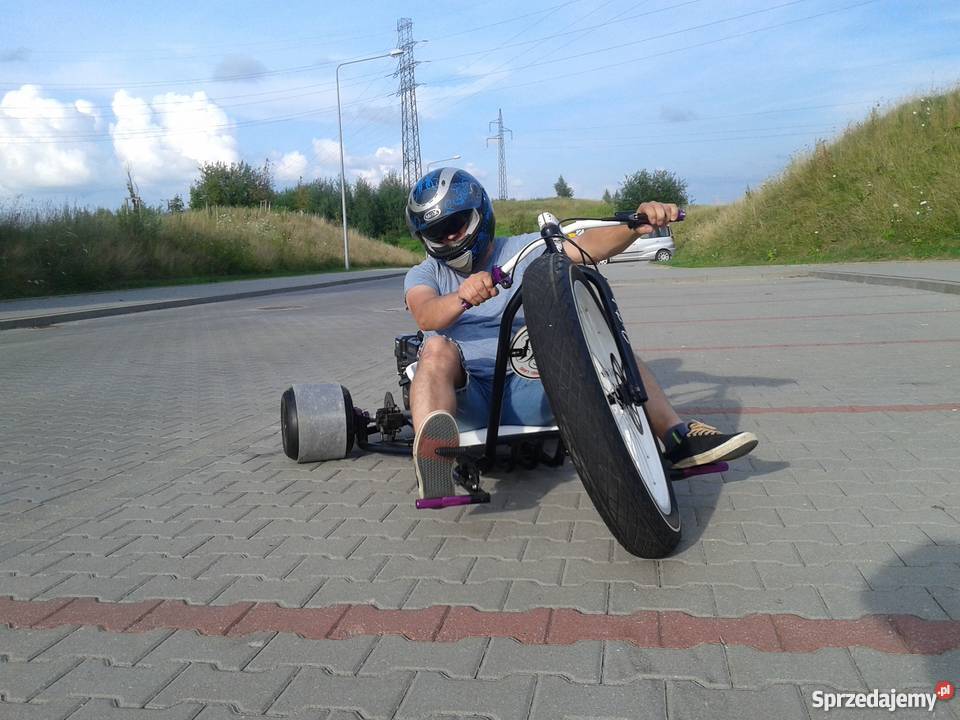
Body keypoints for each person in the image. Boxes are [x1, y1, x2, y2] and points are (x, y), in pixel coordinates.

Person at [403, 167, 757, 498]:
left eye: (457, 224)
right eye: (438, 232)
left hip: (543, 387)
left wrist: (635, 224)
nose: (449, 237)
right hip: (471, 399)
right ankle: (434, 461)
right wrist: (462, 297)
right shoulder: (425, 274)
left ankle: (679, 440)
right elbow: (425, 313)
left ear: (479, 215)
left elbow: (586, 244)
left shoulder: (524, 250)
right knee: (434, 348)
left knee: (607, 345)